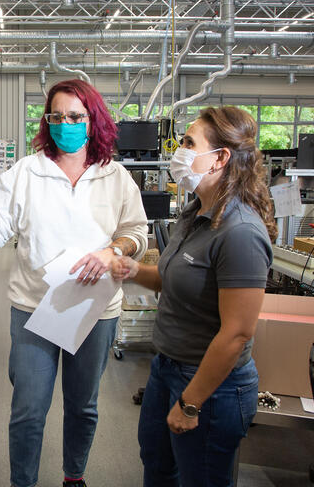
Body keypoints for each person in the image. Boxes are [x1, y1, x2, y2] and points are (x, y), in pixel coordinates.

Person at [0, 79, 148, 487]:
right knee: (28, 409)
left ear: (93, 120)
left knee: (83, 406)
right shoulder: (28, 171)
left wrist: (112, 251)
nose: (67, 124)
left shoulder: (115, 177)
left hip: (95, 310)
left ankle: (74, 476)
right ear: (47, 122)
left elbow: (136, 232)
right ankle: (22, 483)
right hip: (33, 308)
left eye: (76, 117)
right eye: (57, 117)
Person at [111, 106, 277, 487]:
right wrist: (135, 271)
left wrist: (191, 402)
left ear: (220, 158)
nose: (178, 151)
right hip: (166, 367)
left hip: (211, 387)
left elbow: (236, 333)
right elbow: (175, 278)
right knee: (157, 463)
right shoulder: (196, 211)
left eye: (188, 143)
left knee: (200, 478)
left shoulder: (240, 232)